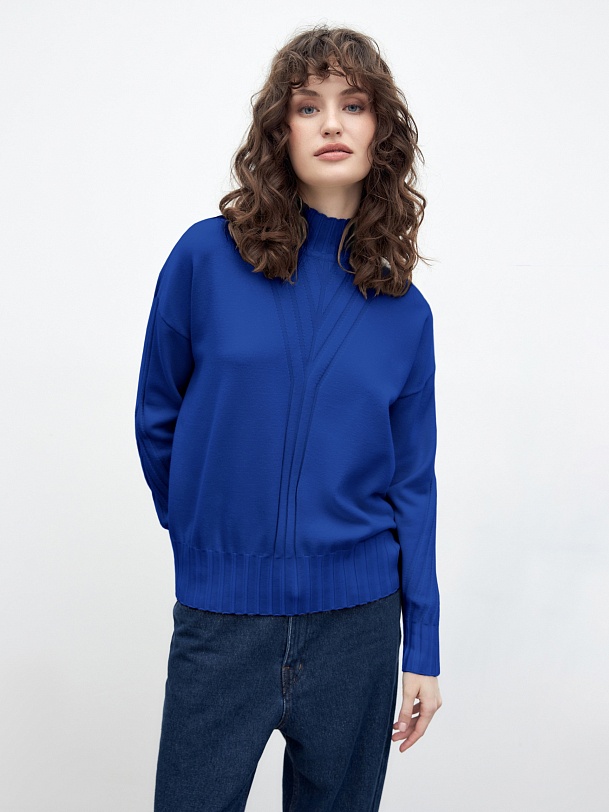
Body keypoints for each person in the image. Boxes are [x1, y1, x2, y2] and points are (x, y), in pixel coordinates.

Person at [135, 23, 443, 812]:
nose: (331, 123)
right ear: (281, 129)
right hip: (222, 618)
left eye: (353, 105)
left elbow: (413, 483)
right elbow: (157, 415)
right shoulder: (205, 259)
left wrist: (423, 646)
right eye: (308, 106)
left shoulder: (403, 311)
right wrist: (207, 538)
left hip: (358, 629)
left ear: (380, 131)